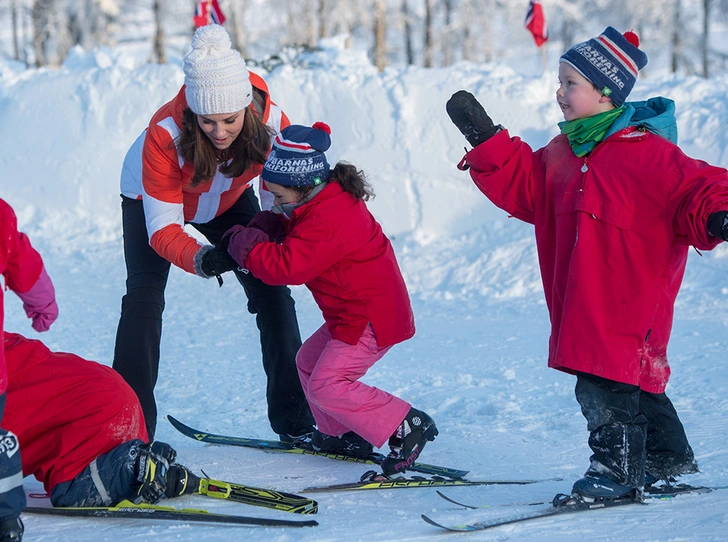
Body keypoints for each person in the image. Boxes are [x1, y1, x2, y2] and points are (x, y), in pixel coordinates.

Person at [446, 27, 728, 502]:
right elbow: (526, 186)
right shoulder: (563, 153)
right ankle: (665, 458)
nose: (559, 92)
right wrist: (488, 141)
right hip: (585, 298)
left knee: (604, 387)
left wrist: (720, 213)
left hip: (631, 301)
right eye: (559, 81)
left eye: (569, 83)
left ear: (605, 91)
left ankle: (616, 472)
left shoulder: (651, 155)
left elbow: (698, 187)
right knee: (634, 383)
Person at [113, 23, 314, 440]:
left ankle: (296, 422)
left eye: (229, 120)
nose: (220, 132)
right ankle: (127, 436)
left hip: (226, 197)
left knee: (272, 291)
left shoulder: (271, 121)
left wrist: (271, 232)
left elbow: (281, 191)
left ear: (247, 108)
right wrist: (204, 258)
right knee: (144, 300)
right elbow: (164, 228)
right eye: (207, 122)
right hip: (151, 199)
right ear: (193, 115)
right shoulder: (165, 136)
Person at [211, 122, 438, 475]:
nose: (277, 205)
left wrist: (244, 246)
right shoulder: (316, 202)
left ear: (303, 188)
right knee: (307, 363)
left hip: (371, 317)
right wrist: (257, 229)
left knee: (327, 384)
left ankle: (406, 424)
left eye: (280, 198)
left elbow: (287, 268)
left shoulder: (330, 220)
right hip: (347, 315)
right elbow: (281, 221)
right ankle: (345, 434)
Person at [0, 198, 192, 542]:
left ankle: (134, 470)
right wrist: (42, 301)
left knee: (71, 490)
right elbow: (21, 258)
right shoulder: (10, 350)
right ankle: (139, 461)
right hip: (111, 404)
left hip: (100, 423)